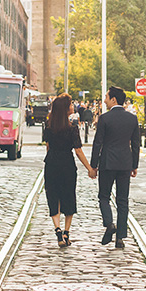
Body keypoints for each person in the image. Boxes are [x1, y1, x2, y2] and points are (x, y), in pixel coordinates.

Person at [90, 86, 140, 249]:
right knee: (123, 200)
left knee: (104, 196)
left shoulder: (105, 118)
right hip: (125, 163)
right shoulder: (132, 119)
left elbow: (98, 142)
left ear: (113, 99)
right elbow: (136, 144)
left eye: (106, 97)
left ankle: (109, 223)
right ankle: (120, 238)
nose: (104, 100)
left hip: (107, 162)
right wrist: (134, 165)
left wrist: (93, 165)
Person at [43, 94, 96, 248]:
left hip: (52, 163)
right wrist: (90, 169)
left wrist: (51, 158)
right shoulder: (72, 128)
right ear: (66, 109)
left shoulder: (48, 126)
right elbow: (78, 151)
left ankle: (58, 230)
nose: (73, 106)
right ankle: (66, 232)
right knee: (68, 195)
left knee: (53, 196)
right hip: (67, 164)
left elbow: (48, 146)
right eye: (71, 104)